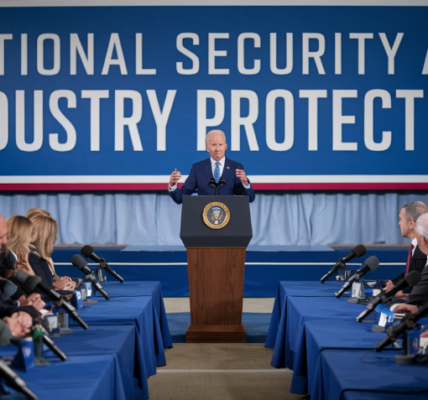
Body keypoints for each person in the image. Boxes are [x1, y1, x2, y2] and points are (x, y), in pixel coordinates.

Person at [168, 130, 256, 204]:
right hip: (203, 219)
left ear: (226, 146)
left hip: (229, 218)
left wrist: (246, 184)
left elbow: (249, 199)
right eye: (214, 145)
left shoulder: (236, 167)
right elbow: (180, 198)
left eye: (220, 144)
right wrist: (173, 185)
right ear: (207, 147)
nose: (217, 149)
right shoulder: (197, 168)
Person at [384, 201, 428, 299]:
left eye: (400, 219)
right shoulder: (415, 247)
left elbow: (419, 289)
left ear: (411, 223)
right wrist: (394, 285)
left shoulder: (424, 252)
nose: (399, 223)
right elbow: (409, 275)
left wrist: (397, 292)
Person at [26, 209, 77, 291]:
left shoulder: (37, 254)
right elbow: (43, 290)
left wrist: (57, 280)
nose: (54, 238)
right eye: (53, 235)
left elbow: (45, 282)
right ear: (46, 236)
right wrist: (61, 288)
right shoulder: (32, 256)